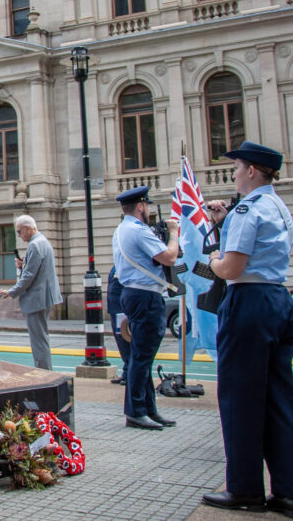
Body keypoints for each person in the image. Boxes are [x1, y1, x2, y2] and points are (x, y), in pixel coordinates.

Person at [201, 141, 293, 519]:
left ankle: (245, 489)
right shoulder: (277, 205)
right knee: (280, 399)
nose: (233, 173)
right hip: (278, 299)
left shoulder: (247, 209)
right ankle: (290, 494)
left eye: (237, 167)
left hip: (249, 303)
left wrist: (213, 259)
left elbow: (231, 268)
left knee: (241, 399)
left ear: (252, 171)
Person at [111, 185, 179, 431]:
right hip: (144, 296)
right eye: (147, 205)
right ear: (140, 206)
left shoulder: (122, 229)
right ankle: (136, 411)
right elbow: (169, 257)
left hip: (134, 294)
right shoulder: (139, 231)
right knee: (141, 358)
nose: (148, 209)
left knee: (143, 357)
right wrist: (174, 233)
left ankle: (148, 408)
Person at [0, 214, 62, 371]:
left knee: (38, 341)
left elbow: (29, 277)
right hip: (43, 297)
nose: (19, 235)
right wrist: (21, 266)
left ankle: (44, 374)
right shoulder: (43, 242)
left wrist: (11, 292)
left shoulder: (35, 245)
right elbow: (34, 271)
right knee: (41, 338)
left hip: (36, 299)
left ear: (27, 228)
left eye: (19, 232)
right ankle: (45, 372)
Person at [106, 266, 130, 385]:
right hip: (114, 309)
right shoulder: (116, 266)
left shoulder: (126, 263)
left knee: (128, 342)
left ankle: (130, 373)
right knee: (121, 343)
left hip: (123, 310)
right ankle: (126, 372)